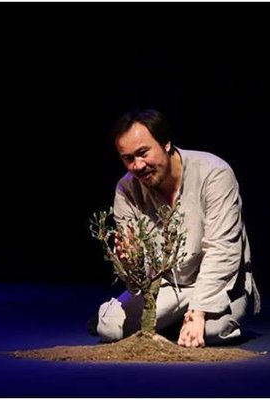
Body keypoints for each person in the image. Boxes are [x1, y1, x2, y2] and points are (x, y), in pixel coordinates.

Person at [94, 109, 260, 348]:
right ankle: (173, 318)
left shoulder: (213, 173)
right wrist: (130, 262)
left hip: (219, 279)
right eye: (128, 158)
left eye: (143, 153)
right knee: (109, 328)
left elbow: (222, 249)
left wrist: (198, 311)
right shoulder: (127, 189)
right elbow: (141, 279)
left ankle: (179, 318)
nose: (137, 165)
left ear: (166, 143)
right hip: (168, 285)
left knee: (213, 331)